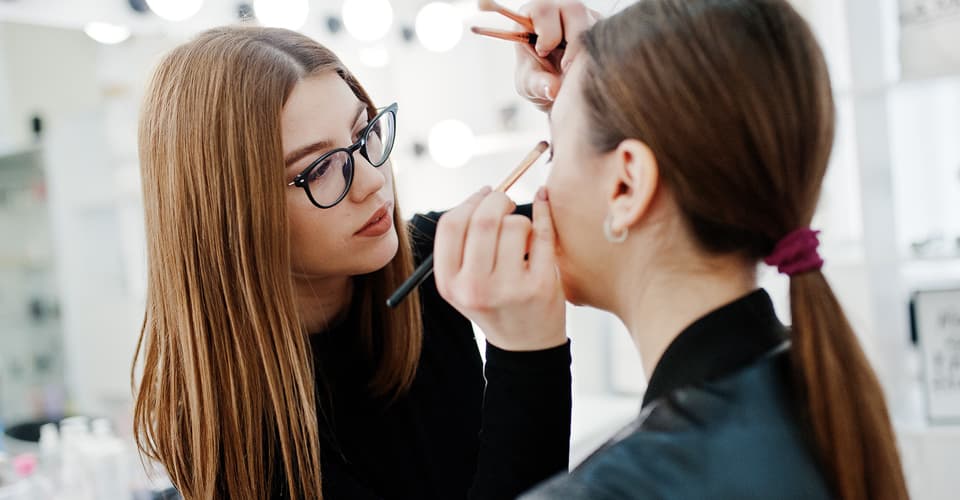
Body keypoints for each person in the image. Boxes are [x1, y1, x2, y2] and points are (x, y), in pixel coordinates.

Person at [434, 0, 910, 498]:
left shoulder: (617, 488)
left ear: (626, 184)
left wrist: (522, 362)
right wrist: (613, 76)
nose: (540, 193)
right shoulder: (818, 383)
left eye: (553, 149)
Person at [132, 26, 571, 500]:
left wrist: (575, 86)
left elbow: (605, 196)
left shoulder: (430, 252)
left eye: (364, 132)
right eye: (318, 169)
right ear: (230, 217)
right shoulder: (232, 440)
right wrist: (526, 352)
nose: (371, 181)